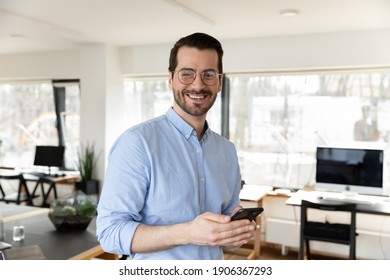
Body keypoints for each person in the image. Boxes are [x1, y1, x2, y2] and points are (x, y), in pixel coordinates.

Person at [96, 32, 256, 260]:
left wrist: (234, 233)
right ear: (170, 79)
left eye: (208, 75)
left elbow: (223, 241)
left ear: (220, 82)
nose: (198, 84)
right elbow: (109, 233)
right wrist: (189, 233)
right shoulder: (137, 144)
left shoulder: (227, 151)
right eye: (187, 74)